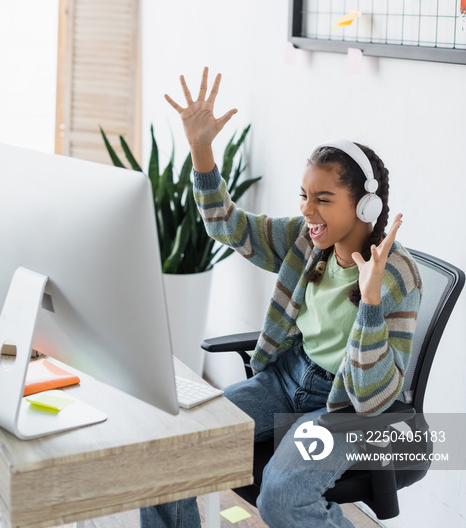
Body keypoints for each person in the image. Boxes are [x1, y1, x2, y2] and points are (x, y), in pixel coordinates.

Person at [140, 68, 422, 528]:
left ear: (365, 206)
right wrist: (202, 150)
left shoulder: (397, 275)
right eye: (304, 196)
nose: (308, 210)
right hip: (288, 379)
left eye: (324, 199)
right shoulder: (305, 239)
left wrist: (369, 305)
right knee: (175, 446)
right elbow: (228, 226)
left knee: (282, 496)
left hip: (346, 408)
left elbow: (373, 399)